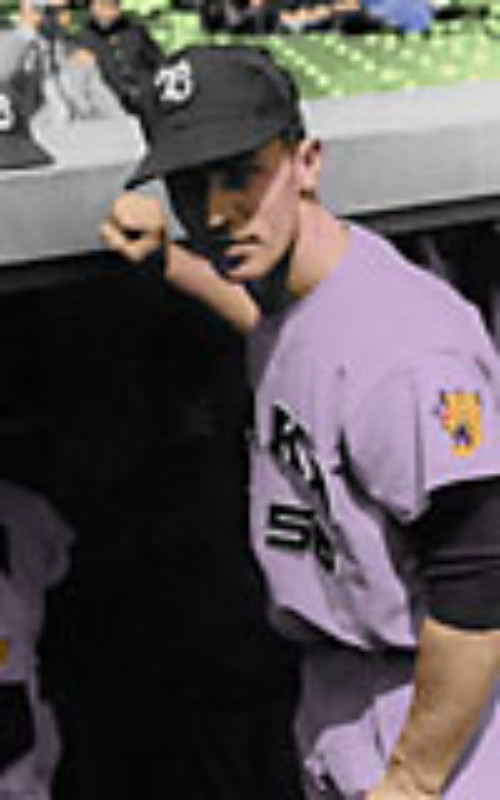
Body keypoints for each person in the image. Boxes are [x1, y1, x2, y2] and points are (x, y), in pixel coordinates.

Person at [101, 44, 500, 800]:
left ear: (307, 162)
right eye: (189, 184)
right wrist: (170, 262)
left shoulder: (404, 349)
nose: (214, 212)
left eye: (240, 174)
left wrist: (412, 781)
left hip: (440, 718)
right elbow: (283, 334)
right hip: (347, 699)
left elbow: (479, 582)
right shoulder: (304, 294)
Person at [78, 0, 164, 121]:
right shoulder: (86, 38)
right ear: (91, 9)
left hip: (152, 96)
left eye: (112, 6)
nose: (107, 12)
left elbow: (157, 60)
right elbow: (86, 76)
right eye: (101, 6)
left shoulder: (134, 30)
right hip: (114, 105)